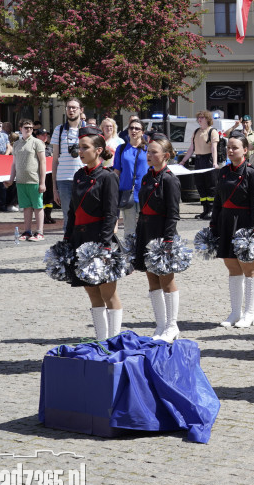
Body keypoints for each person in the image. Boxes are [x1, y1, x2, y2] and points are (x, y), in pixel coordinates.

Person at [65, 127, 123, 339]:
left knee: (108, 293)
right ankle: (101, 340)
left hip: (100, 239)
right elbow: (72, 211)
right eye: (79, 148)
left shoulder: (107, 177)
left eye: (85, 148)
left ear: (98, 150)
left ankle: (114, 341)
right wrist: (67, 239)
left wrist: (105, 245)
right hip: (81, 239)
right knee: (91, 291)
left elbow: (111, 213)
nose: (80, 152)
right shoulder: (79, 175)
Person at [133, 133, 183, 342]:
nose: (149, 155)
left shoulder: (170, 179)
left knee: (166, 280)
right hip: (146, 231)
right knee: (152, 279)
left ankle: (172, 325)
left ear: (166, 155)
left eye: (154, 152)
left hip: (163, 234)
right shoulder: (146, 177)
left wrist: (168, 241)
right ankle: (161, 324)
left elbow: (173, 213)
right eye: (148, 151)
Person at [211, 134, 254, 329]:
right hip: (226, 221)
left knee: (249, 268)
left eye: (235, 147)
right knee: (232, 267)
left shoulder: (253, 173)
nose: (230, 151)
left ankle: (249, 312)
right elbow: (218, 200)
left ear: (245, 150)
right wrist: (214, 224)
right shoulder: (223, 171)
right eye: (228, 148)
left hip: (245, 222)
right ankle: (235, 312)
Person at [7, 119, 47, 241]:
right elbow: (14, 164)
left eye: (30, 127)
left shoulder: (37, 142)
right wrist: (10, 180)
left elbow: (43, 162)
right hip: (20, 181)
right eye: (26, 127)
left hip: (34, 179)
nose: (29, 129)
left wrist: (42, 182)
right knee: (26, 207)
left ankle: (40, 232)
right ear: (21, 129)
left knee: (38, 206)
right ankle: (27, 231)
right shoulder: (16, 144)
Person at [178, 110, 220, 220]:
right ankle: (205, 210)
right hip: (199, 160)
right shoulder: (196, 132)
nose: (199, 120)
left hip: (208, 159)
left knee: (210, 186)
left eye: (202, 117)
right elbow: (192, 148)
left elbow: (213, 148)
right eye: (198, 118)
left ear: (207, 119)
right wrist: (183, 161)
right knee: (200, 186)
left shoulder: (212, 131)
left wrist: (215, 163)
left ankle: (211, 210)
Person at [51, 98, 85, 227]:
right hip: (63, 179)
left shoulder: (87, 129)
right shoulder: (59, 130)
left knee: (84, 214)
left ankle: (83, 245)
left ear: (81, 110)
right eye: (69, 107)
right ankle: (68, 244)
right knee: (68, 216)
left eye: (74, 108)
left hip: (84, 178)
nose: (71, 110)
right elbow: (55, 161)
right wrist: (54, 189)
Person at [112, 119, 149, 236]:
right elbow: (116, 171)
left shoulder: (148, 149)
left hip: (145, 192)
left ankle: (144, 251)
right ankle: (130, 252)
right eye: (131, 128)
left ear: (142, 132)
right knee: (129, 228)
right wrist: (113, 190)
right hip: (127, 192)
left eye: (137, 128)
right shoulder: (121, 149)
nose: (133, 130)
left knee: (146, 226)